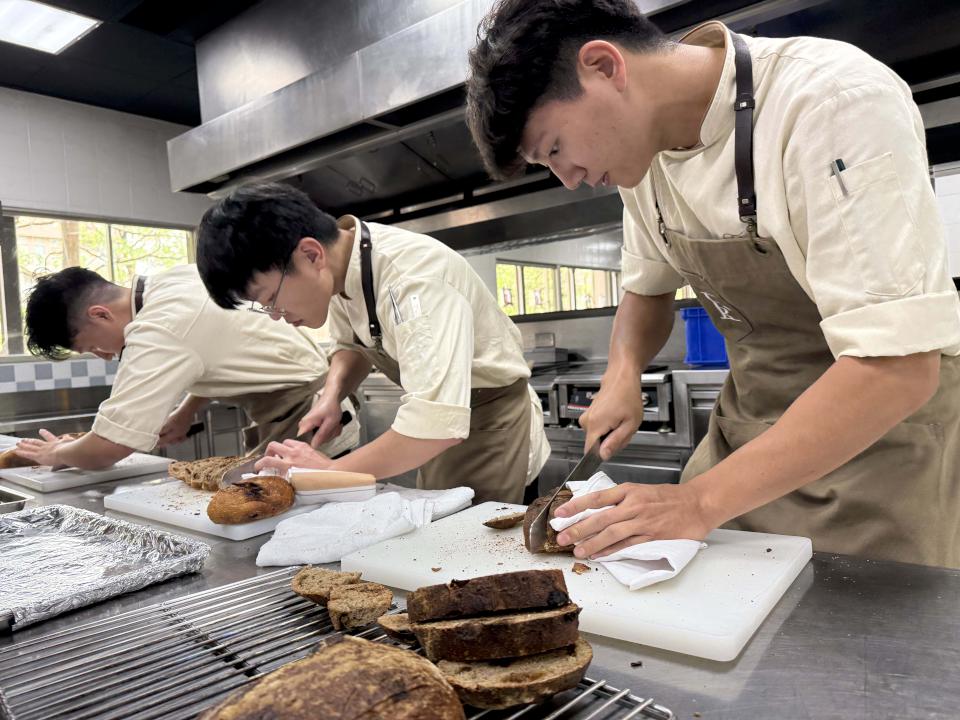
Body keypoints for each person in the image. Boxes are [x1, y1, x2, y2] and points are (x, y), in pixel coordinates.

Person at [465, 0, 960, 567]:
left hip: (881, 449)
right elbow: (646, 289)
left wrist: (699, 501)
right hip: (747, 438)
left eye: (555, 148)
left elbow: (898, 365)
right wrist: (623, 374)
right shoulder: (642, 156)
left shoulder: (830, 101)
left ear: (604, 66)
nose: (569, 179)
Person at [194, 182, 550, 504]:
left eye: (270, 297)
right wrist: (332, 396)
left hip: (489, 421)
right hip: (444, 422)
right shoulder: (339, 268)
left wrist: (329, 472)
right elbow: (352, 345)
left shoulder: (414, 279)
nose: (274, 314)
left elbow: (435, 425)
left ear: (311, 254)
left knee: (469, 549)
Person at [16, 265, 358, 469]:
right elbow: (212, 347)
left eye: (92, 346)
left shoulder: (157, 327)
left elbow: (109, 446)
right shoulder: (173, 280)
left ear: (100, 314)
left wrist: (56, 453)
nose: (104, 356)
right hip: (310, 406)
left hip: (309, 421)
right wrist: (186, 410)